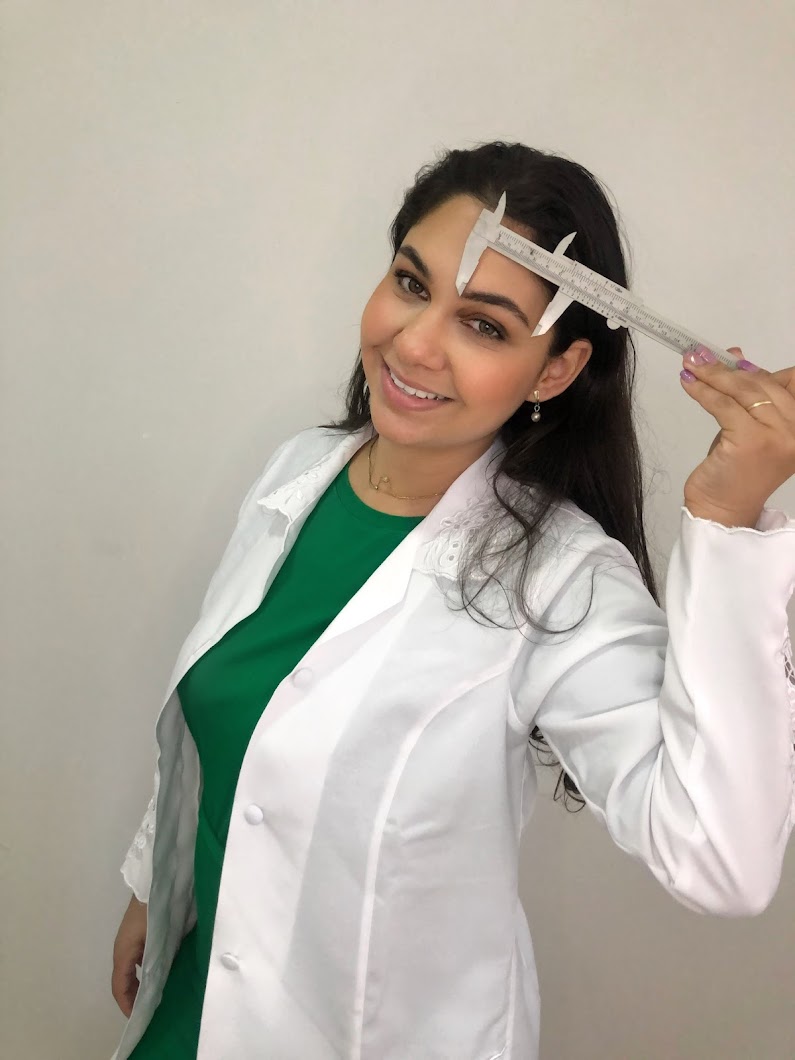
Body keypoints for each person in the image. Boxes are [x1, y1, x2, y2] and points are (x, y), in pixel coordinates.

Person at [110, 141, 795, 1060]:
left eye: (484, 326)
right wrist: (154, 885)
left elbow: (718, 859)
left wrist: (728, 518)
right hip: (192, 1001)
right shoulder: (299, 471)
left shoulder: (561, 580)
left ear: (554, 371)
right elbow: (225, 724)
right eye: (409, 283)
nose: (415, 344)